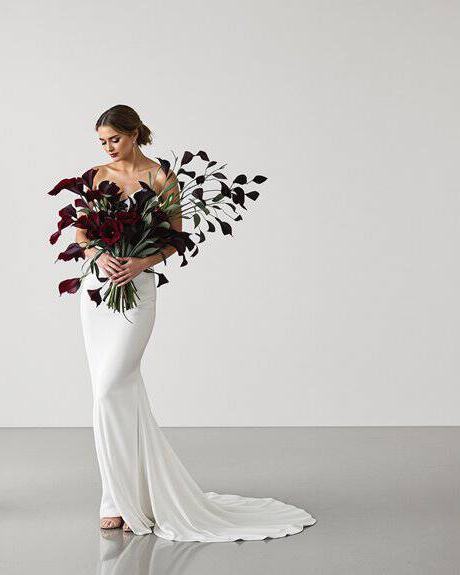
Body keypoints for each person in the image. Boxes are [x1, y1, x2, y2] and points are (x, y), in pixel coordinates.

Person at [77, 104, 316, 541]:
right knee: (110, 392)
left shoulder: (161, 179)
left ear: (134, 134)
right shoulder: (96, 176)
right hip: (97, 292)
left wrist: (139, 262)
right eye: (102, 142)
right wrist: (100, 255)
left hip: (138, 285)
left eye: (114, 139)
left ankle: (123, 496)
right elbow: (82, 234)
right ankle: (114, 496)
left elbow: (175, 237)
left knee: (114, 385)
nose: (108, 148)